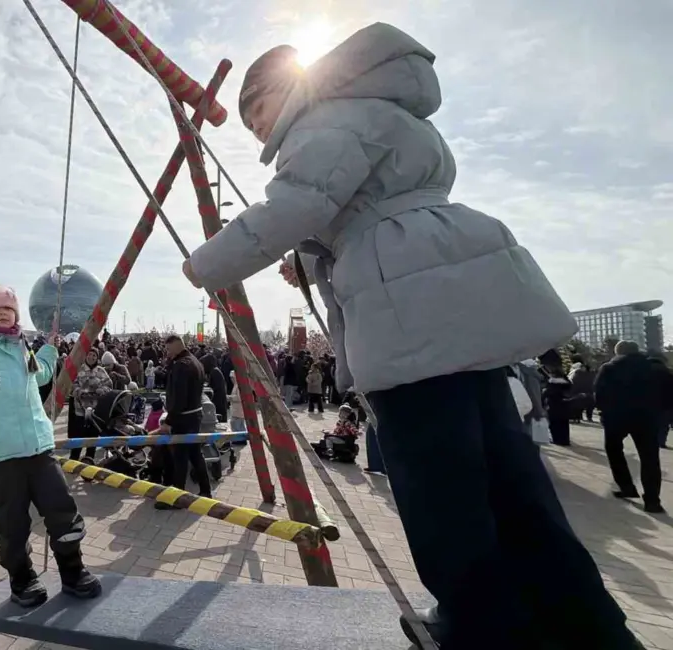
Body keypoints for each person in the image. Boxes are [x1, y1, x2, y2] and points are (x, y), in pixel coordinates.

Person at [179, 23, 640, 649]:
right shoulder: (382, 109)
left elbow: (298, 204)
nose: (257, 130)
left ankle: (480, 626)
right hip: (453, 294)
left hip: (410, 319)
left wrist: (206, 264)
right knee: (515, 488)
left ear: (282, 88)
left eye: (254, 112)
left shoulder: (321, 119)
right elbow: (360, 207)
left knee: (440, 492)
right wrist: (319, 256)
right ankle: (590, 627)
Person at [0, 284, 100, 608]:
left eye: (8, 309)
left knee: (61, 508)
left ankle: (73, 571)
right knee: (13, 521)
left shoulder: (21, 346)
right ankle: (22, 579)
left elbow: (37, 377)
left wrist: (49, 352)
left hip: (38, 445)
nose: (3, 312)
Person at [594, 341, 667, 514]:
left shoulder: (609, 368)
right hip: (647, 417)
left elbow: (599, 393)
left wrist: (604, 412)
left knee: (613, 449)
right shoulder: (655, 368)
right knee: (650, 457)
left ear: (617, 352)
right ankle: (652, 501)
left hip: (617, 417)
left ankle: (626, 486)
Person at [156, 334, 212, 509]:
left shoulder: (182, 366)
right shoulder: (195, 361)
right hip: (194, 416)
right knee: (195, 454)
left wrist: (169, 421)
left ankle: (178, 498)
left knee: (180, 457)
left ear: (175, 346)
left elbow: (179, 398)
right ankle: (205, 490)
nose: (167, 352)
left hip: (183, 417)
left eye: (168, 348)